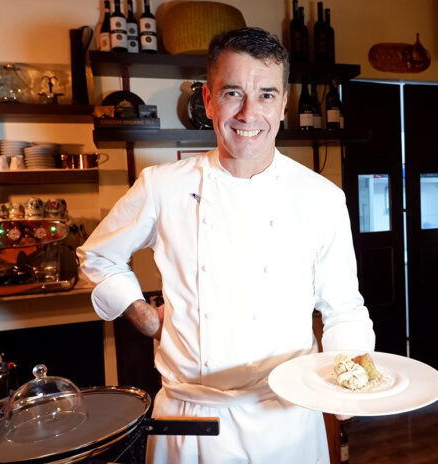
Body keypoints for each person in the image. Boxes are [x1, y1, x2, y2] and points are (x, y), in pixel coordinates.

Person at [77, 27, 375, 464]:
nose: (249, 112)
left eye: (267, 94)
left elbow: (343, 306)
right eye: (233, 92)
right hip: (191, 419)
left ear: (285, 103)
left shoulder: (321, 197)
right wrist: (142, 315)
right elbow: (98, 255)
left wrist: (350, 382)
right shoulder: (163, 186)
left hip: (287, 417)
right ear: (208, 99)